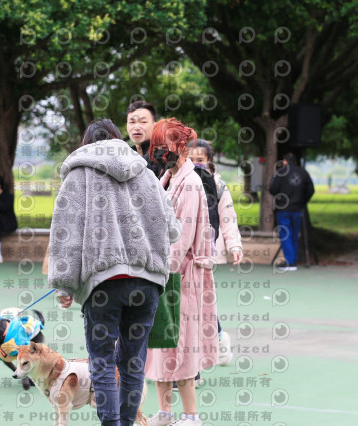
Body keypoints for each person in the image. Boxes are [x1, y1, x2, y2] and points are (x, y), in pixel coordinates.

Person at [49, 118, 181, 425]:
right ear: (118, 138)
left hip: (103, 283)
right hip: (147, 282)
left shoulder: (78, 174)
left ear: (86, 142)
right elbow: (172, 228)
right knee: (133, 364)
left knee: (103, 362)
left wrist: (64, 285)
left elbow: (65, 233)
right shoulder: (145, 173)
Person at [145, 118, 219, 426]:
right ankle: (165, 413)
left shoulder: (189, 183)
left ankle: (191, 416)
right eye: (156, 147)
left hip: (181, 276)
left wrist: (158, 271)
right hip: (166, 275)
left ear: (179, 147)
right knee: (161, 346)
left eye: (163, 147)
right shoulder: (168, 177)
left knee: (182, 347)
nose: (158, 153)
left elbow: (182, 239)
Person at [188, 139, 242, 366]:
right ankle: (203, 347)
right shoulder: (178, 180)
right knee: (189, 301)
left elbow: (228, 218)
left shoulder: (218, 185)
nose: (195, 164)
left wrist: (234, 245)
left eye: (199, 160)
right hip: (183, 251)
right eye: (190, 159)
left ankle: (218, 339)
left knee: (200, 300)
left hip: (207, 251)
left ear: (209, 161)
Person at [268, 152, 315, 271]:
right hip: (298, 208)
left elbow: (272, 189)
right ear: (296, 161)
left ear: (285, 161)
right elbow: (311, 190)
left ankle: (290, 262)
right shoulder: (303, 172)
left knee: (285, 234)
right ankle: (293, 259)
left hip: (283, 208)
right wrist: (303, 201)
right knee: (294, 234)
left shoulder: (280, 172)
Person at [126, 100, 162, 177]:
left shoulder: (163, 157)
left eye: (143, 122)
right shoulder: (125, 156)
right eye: (132, 122)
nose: (136, 127)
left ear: (155, 126)